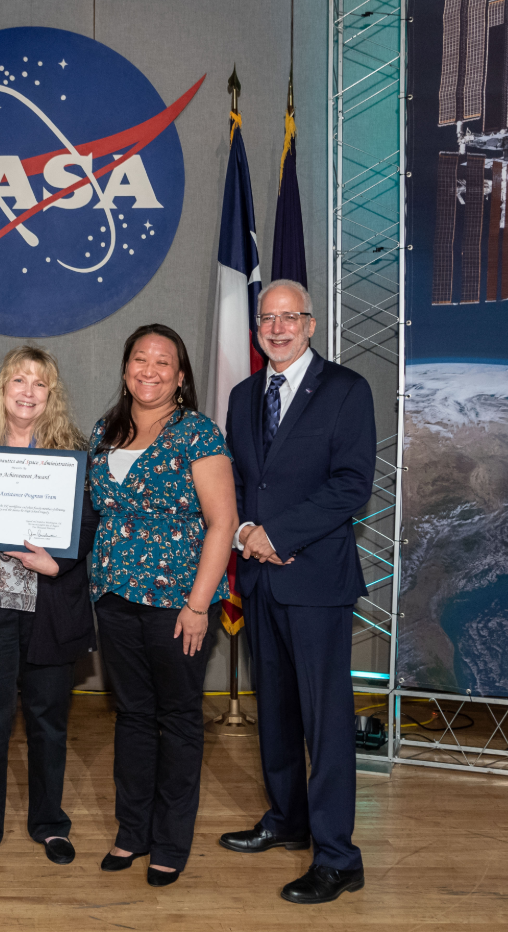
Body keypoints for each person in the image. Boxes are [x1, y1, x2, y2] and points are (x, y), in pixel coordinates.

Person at [219, 278, 375, 905]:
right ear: (257, 329)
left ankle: (338, 856)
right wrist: (248, 535)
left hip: (314, 582)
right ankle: (286, 821)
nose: (277, 328)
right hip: (259, 580)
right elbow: (236, 479)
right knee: (277, 715)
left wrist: (277, 533)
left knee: (326, 721)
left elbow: (350, 486)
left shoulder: (345, 390)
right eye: (267, 319)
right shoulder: (242, 394)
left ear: (311, 325)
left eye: (290, 318)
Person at [88, 324, 239, 887]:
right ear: (126, 366)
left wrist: (199, 605)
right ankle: (133, 832)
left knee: (177, 719)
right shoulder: (106, 429)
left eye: (162, 363)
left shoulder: (198, 433)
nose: (149, 371)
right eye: (139, 359)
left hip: (178, 602)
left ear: (181, 376)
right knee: (131, 716)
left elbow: (222, 522)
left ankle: (170, 842)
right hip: (113, 597)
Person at [0, 346, 98, 870]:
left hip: (48, 603)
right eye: (19, 380)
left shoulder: (74, 448)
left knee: (47, 721)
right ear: (2, 387)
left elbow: (89, 522)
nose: (28, 391)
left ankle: (49, 823)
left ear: (51, 394)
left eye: (40, 383)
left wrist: (58, 564)